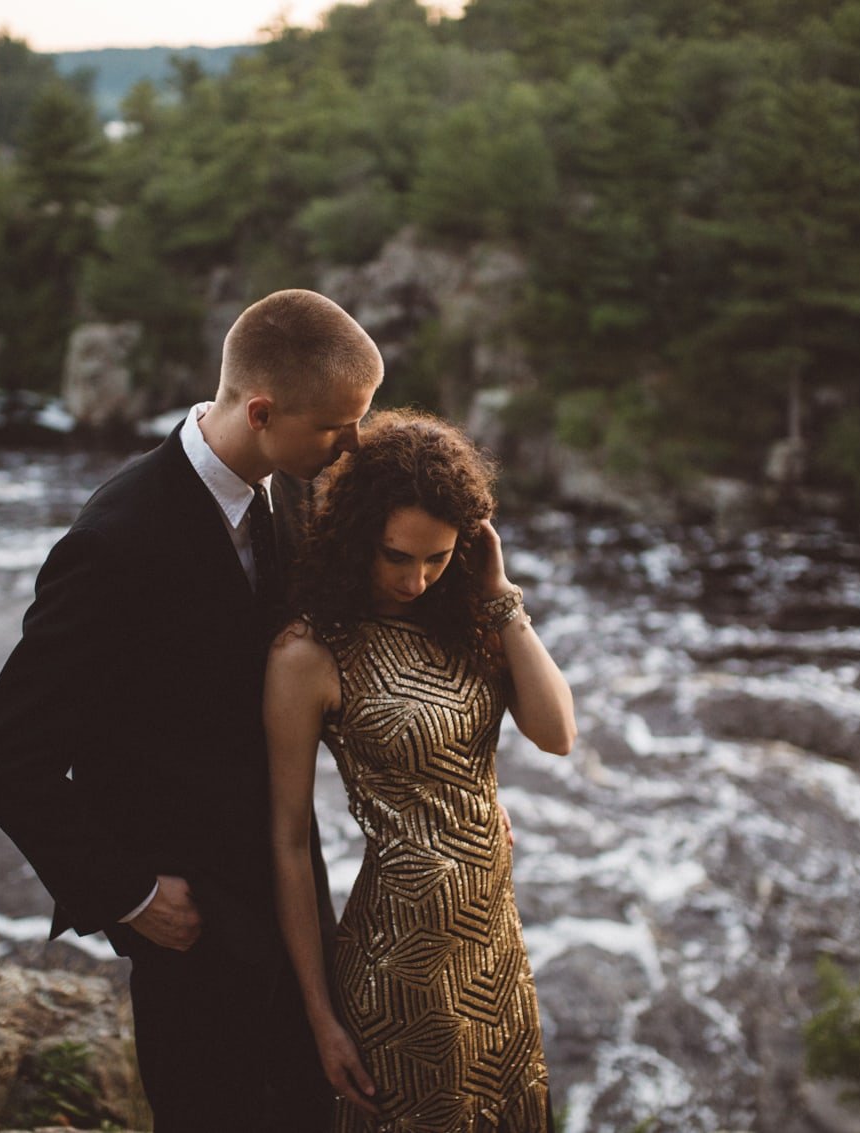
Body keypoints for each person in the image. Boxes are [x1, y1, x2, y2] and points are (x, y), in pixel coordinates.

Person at [0, 289, 383, 1132]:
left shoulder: (293, 490)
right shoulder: (113, 544)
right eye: (338, 426)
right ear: (263, 411)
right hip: (191, 934)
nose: (353, 445)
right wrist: (129, 893)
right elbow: (4, 751)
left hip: (297, 906)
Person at [265, 410, 576, 1132]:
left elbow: (557, 732)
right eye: (397, 556)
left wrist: (499, 595)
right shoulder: (309, 652)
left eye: (438, 557)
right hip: (401, 961)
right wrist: (321, 1016)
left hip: (494, 941)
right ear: (354, 536)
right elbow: (285, 839)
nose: (417, 578)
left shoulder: (463, 616)